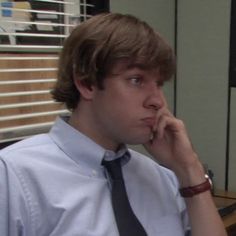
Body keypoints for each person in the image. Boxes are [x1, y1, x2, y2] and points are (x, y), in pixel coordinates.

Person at [0, 13, 226, 236]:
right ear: (87, 84)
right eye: (136, 80)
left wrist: (190, 170)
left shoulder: (162, 179)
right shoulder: (13, 177)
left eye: (158, 83)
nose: (157, 100)